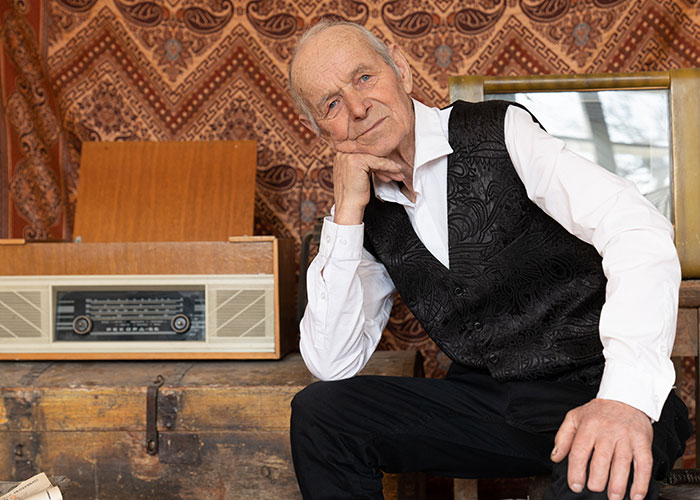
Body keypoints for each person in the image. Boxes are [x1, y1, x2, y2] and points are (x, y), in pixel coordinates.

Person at [287, 18, 691, 500]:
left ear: (400, 68)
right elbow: (332, 361)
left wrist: (623, 398)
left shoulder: (500, 131)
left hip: (600, 387)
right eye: (332, 104)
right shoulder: (365, 213)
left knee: (588, 484)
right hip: (491, 407)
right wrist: (347, 213)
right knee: (322, 413)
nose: (356, 107)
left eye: (364, 78)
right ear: (321, 131)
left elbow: (637, 229)